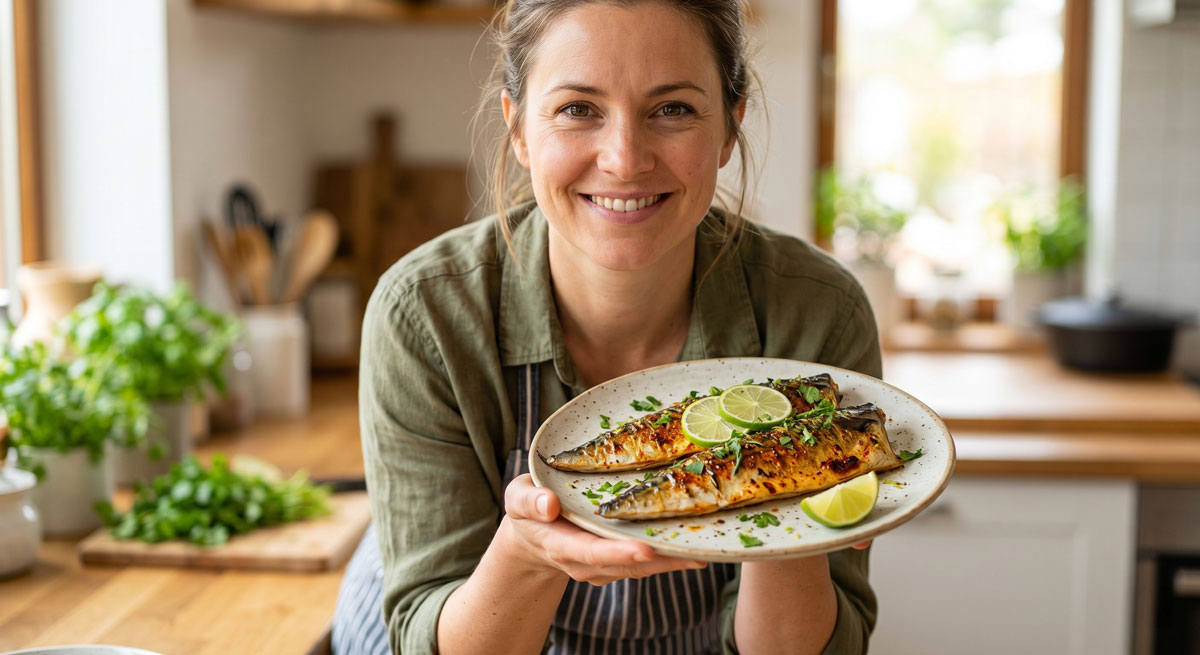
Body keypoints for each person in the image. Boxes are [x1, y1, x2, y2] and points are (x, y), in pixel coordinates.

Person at [334, 0, 882, 653]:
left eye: (672, 109)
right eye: (577, 109)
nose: (624, 159)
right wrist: (527, 552)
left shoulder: (816, 312)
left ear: (730, 127)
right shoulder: (424, 314)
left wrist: (789, 509)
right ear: (518, 131)